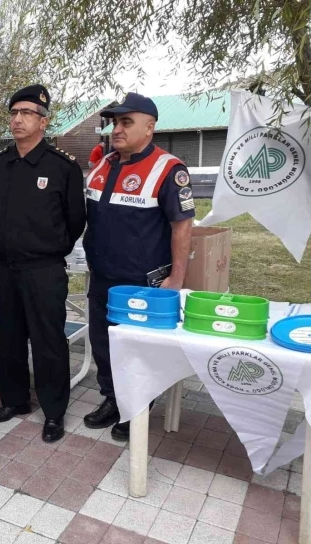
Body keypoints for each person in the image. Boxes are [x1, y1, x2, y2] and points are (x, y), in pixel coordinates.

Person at [82, 92, 195, 441]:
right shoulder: (104, 163)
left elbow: (182, 227)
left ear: (150, 127)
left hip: (141, 283)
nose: (117, 129)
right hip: (102, 277)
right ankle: (113, 400)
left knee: (136, 351)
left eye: (126, 122)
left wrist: (176, 278)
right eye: (115, 122)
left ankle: (137, 409)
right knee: (103, 344)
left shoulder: (169, 169)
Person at [0, 85, 86, 443]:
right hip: (7, 268)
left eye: (26, 114)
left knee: (48, 341)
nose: (17, 120)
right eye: (13, 114)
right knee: (10, 337)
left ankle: (54, 412)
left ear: (43, 121)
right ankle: (15, 401)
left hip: (44, 270)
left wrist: (51, 247)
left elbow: (76, 220)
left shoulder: (62, 167)